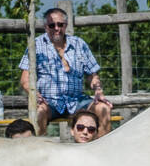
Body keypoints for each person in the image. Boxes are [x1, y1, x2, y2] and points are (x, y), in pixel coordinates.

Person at [20, 8, 112, 138]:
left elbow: (92, 75)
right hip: (49, 102)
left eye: (60, 24)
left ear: (66, 25)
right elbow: (25, 79)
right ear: (46, 27)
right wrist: (34, 94)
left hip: (77, 100)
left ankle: (101, 151)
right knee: (39, 112)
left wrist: (98, 91)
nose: (56, 28)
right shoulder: (35, 45)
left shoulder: (79, 44)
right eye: (52, 25)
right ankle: (40, 151)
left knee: (103, 108)